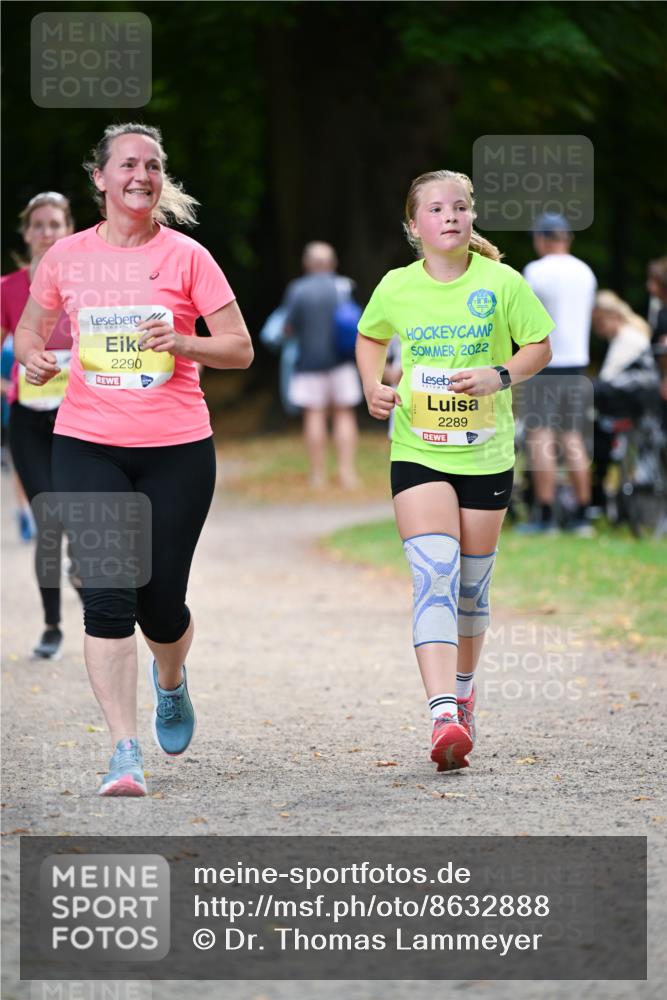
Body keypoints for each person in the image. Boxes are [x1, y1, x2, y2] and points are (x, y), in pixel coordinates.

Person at [15, 123, 253, 797]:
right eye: (127, 164)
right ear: (101, 178)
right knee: (107, 598)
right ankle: (124, 750)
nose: (141, 174)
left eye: (152, 164)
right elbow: (32, 326)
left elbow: (238, 348)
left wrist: (183, 341)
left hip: (176, 450)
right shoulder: (65, 257)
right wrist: (33, 351)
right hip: (87, 442)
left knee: (161, 608)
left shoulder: (188, 257)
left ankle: (170, 679)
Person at [355, 169, 553, 773]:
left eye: (461, 207)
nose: (451, 216)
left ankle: (464, 693)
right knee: (434, 573)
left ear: (472, 218)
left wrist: (499, 375)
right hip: (418, 449)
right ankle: (442, 713)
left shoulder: (501, 282)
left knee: (471, 589)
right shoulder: (396, 285)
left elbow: (540, 345)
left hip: (485, 454)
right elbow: (369, 337)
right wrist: (372, 386)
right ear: (414, 227)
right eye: (437, 209)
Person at [2, 192, 77, 658]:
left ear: (69, 230)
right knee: (49, 520)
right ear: (27, 232)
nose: (47, 232)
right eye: (40, 225)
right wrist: (13, 377)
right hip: (28, 418)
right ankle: (51, 625)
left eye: (56, 224)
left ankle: (90, 588)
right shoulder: (9, 288)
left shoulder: (88, 283)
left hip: (80, 416)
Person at [521, 213, 597, 534]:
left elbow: (522, 318)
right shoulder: (585, 272)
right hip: (577, 363)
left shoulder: (536, 272)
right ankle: (582, 514)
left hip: (544, 364)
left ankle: (546, 515)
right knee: (573, 438)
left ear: (542, 238)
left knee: (541, 438)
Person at [284, 241, 362, 489]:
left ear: (307, 264)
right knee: (344, 413)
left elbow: (288, 328)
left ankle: (318, 476)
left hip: (308, 363)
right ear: (332, 263)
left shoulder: (297, 290)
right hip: (342, 362)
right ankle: (347, 473)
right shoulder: (344, 286)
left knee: (314, 415)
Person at [591, 291, 661, 510]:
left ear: (612, 316)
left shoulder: (627, 338)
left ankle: (596, 494)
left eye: (599, 323)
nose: (597, 330)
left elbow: (608, 379)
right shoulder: (635, 333)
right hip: (637, 403)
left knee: (594, 430)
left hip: (630, 406)